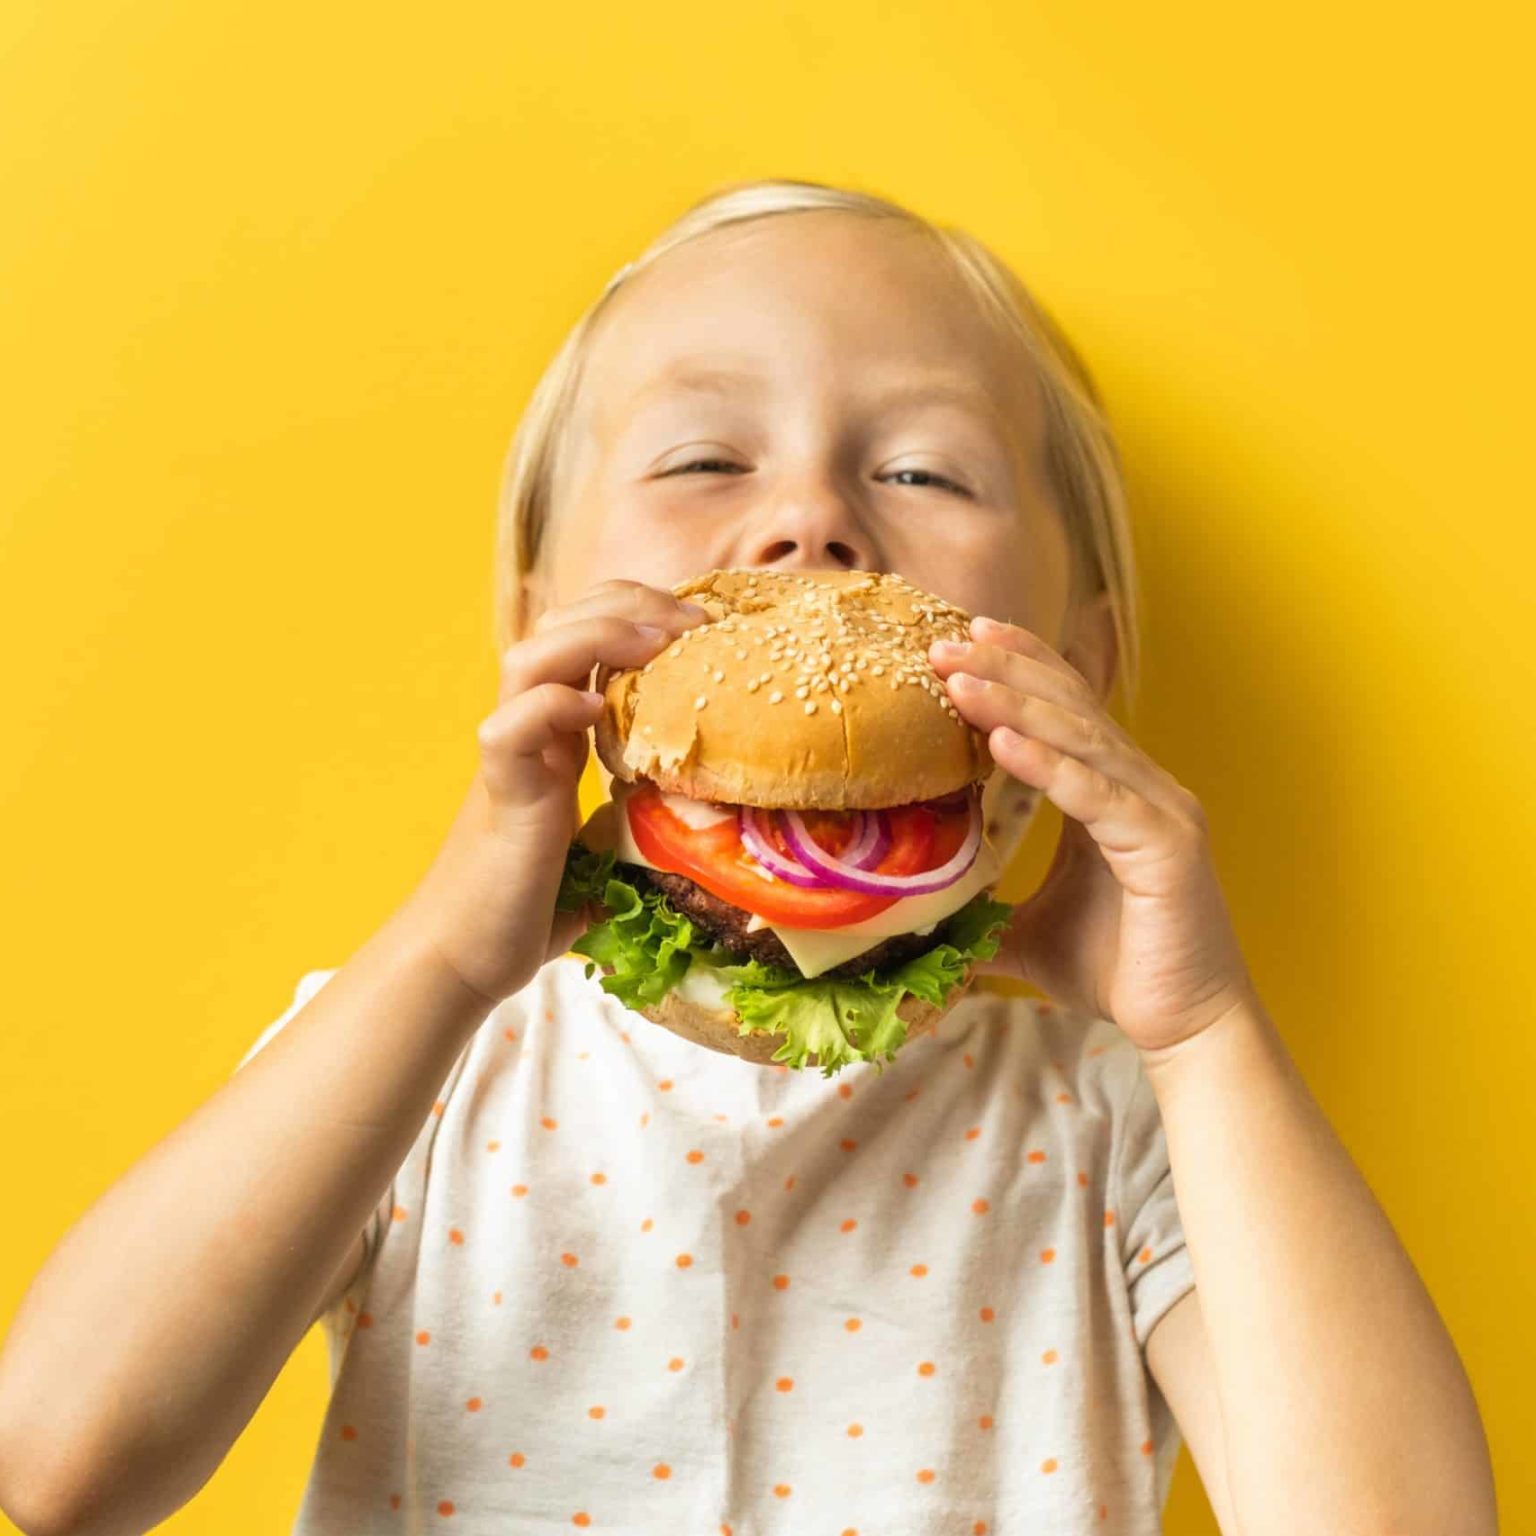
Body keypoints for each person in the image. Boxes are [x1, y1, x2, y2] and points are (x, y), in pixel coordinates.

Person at [0, 179, 1495, 1536]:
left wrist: (1204, 1030)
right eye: (707, 457)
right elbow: (57, 1463)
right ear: (541, 630)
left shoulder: (1124, 1123)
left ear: (1078, 670)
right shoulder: (417, 1064)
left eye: (926, 475)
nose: (809, 522)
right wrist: (449, 959)